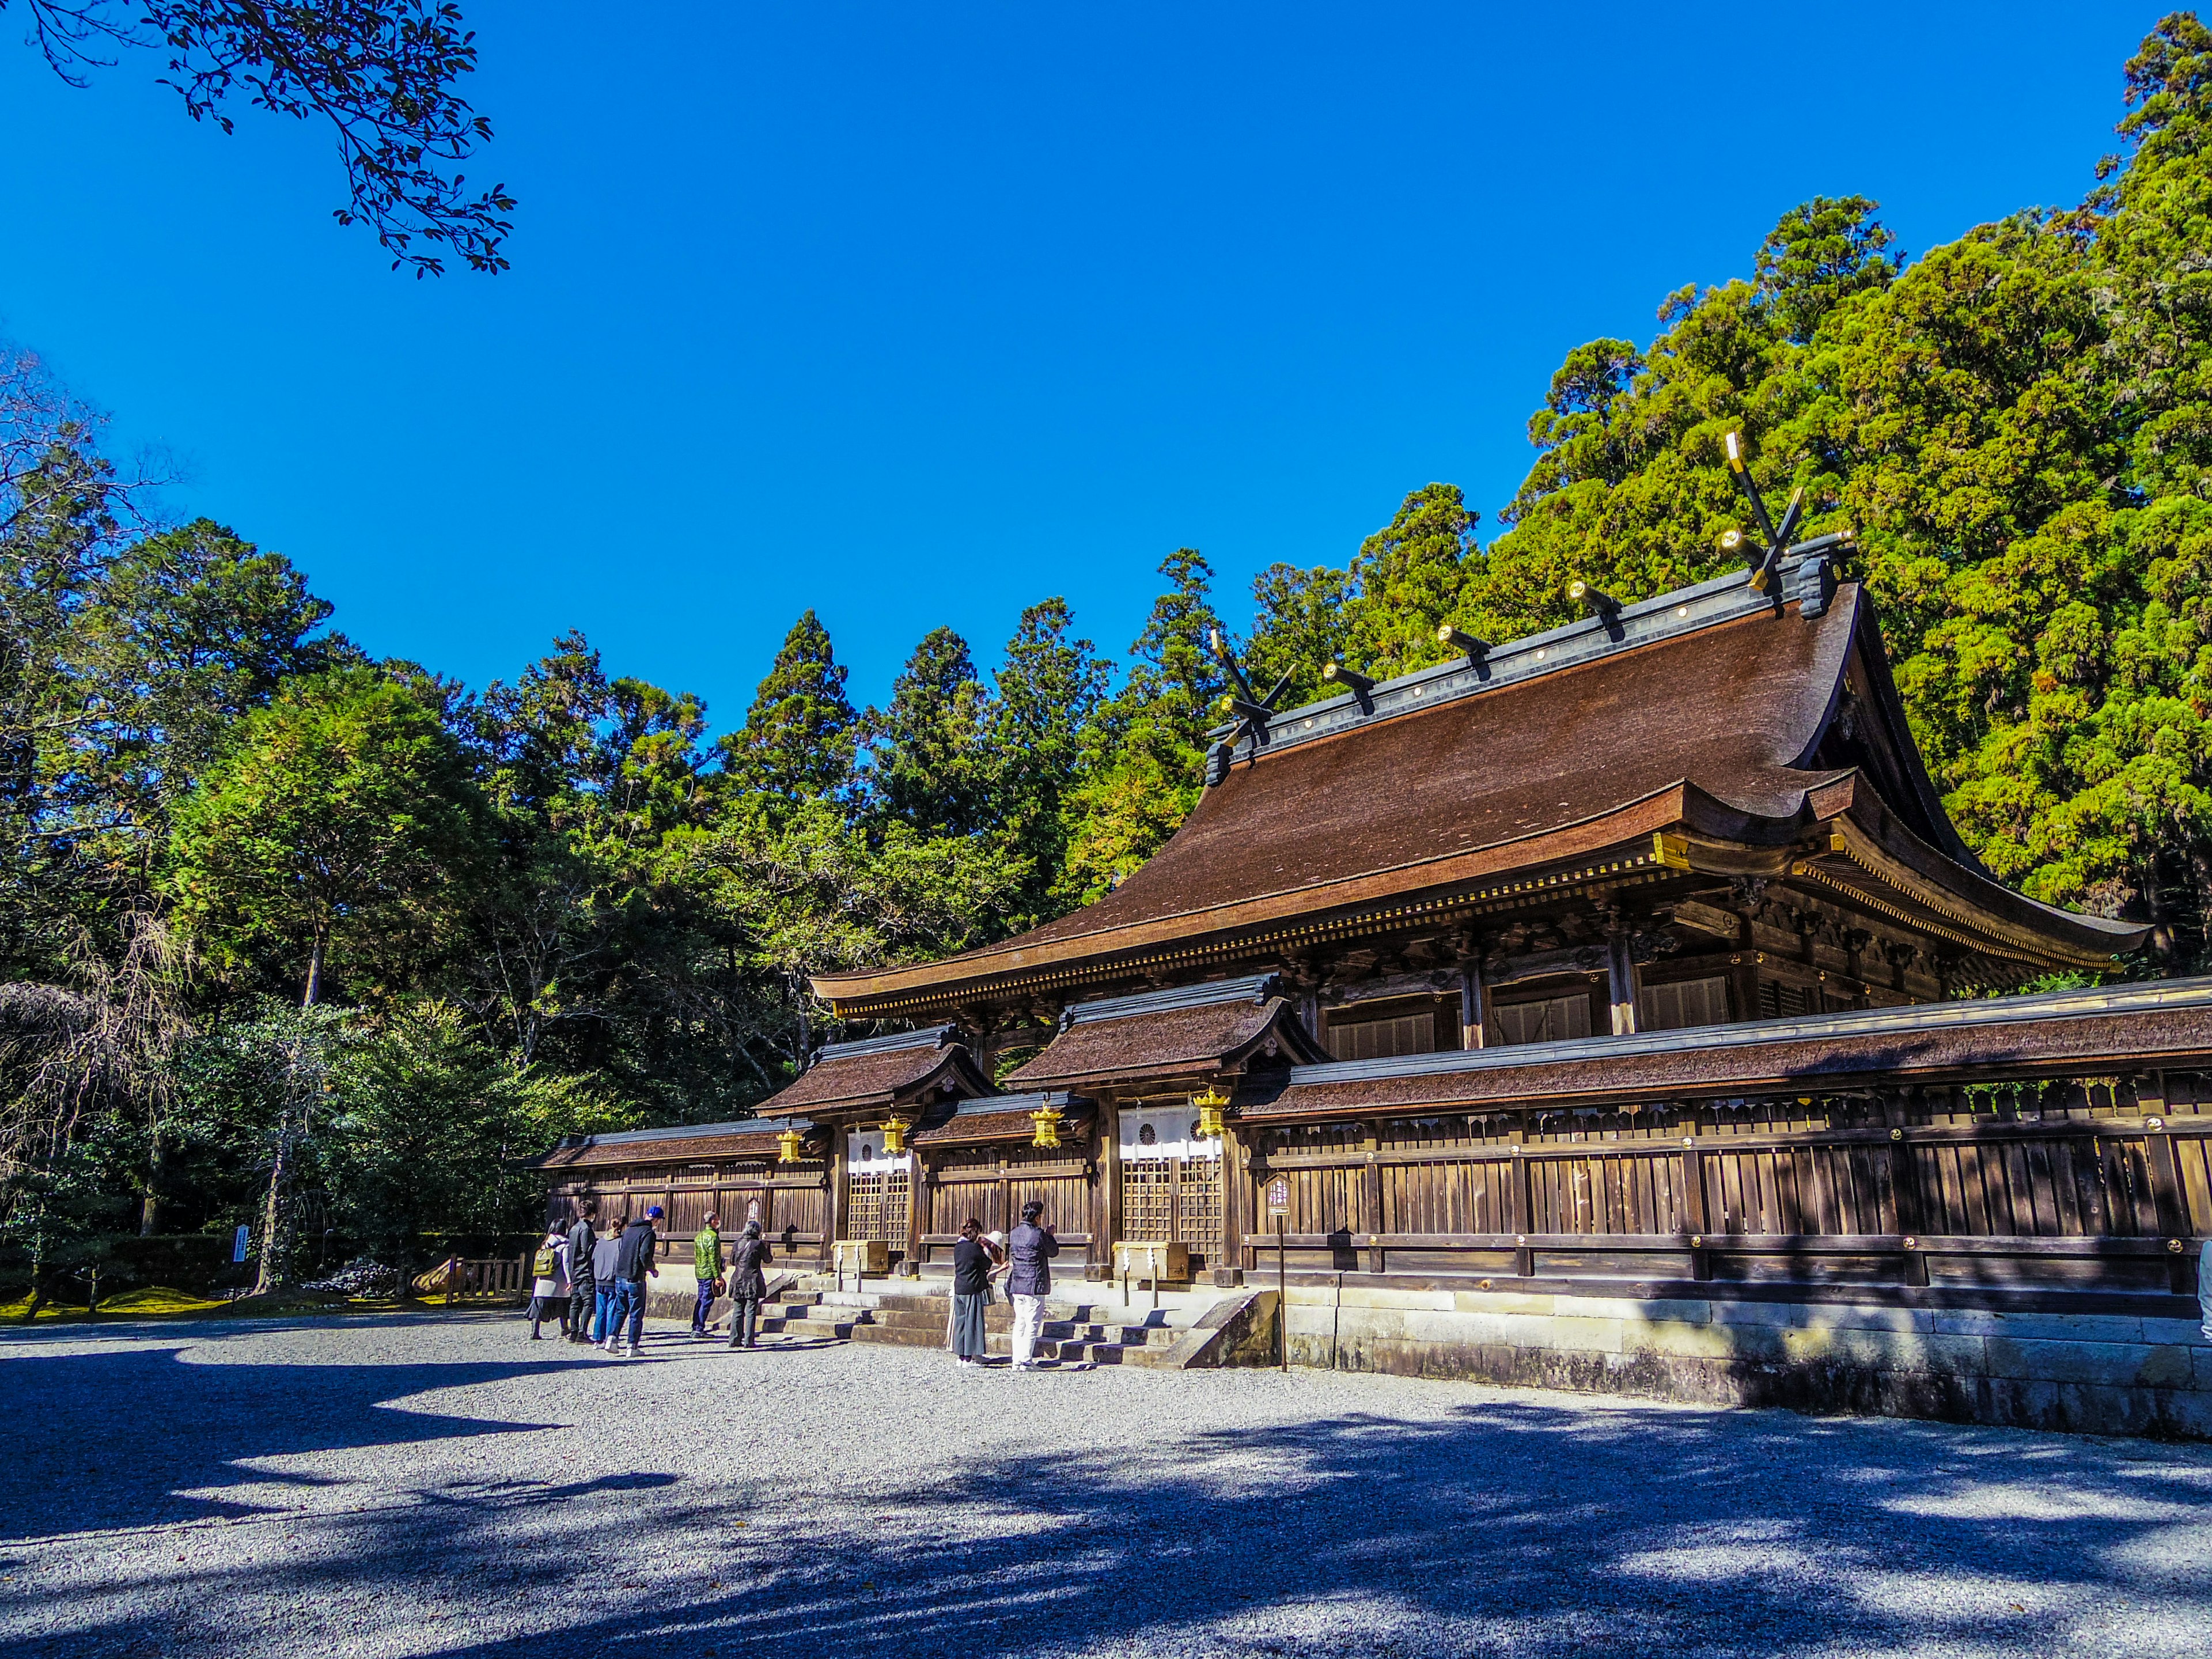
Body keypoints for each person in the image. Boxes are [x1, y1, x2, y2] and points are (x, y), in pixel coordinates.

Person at [1005, 1200, 1059, 1369]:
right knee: (1032, 1323)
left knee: (1020, 1322)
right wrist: (1050, 1235)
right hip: (1034, 1283)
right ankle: (1026, 1360)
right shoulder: (1038, 1234)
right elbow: (1053, 1252)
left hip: (1018, 1283)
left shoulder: (1013, 1234)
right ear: (1037, 1217)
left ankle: (1016, 1360)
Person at [609, 1205, 661, 1358]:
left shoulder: (629, 1230)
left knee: (620, 1309)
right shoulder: (648, 1233)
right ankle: (632, 1346)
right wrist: (652, 1269)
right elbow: (644, 1255)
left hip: (620, 1275)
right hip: (635, 1276)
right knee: (636, 1313)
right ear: (656, 1221)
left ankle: (612, 1339)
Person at [948, 1218, 995, 1365]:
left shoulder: (958, 1248)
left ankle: (961, 1356)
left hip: (959, 1288)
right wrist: (984, 1248)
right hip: (972, 1289)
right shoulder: (974, 1248)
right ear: (975, 1233)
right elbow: (987, 1264)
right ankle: (969, 1358)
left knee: (961, 1323)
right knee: (972, 1322)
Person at [726, 1219, 769, 1350]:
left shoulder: (737, 1243)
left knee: (738, 1310)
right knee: (750, 1311)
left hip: (738, 1280)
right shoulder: (758, 1244)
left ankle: (734, 1339)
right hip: (753, 1280)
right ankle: (749, 1341)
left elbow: (733, 1261)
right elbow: (768, 1259)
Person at [566, 1199, 598, 1346]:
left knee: (575, 1303)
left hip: (574, 1270)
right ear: (591, 1213)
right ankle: (582, 1332)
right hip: (585, 1270)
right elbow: (588, 1250)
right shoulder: (586, 1229)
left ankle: (573, 1331)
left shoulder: (573, 1228)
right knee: (588, 1302)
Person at [528, 1229, 570, 1340]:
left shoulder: (545, 1243)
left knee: (538, 1307)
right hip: (558, 1281)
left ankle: (535, 1331)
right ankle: (565, 1328)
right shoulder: (565, 1244)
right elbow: (566, 1263)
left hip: (542, 1280)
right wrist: (569, 1280)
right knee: (563, 1305)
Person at [590, 1221, 624, 1348]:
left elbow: (593, 1258)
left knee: (601, 1310)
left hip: (599, 1279)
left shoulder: (601, 1241)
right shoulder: (620, 1242)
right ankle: (609, 1338)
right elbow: (619, 1260)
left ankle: (598, 1339)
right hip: (612, 1279)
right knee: (612, 1310)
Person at [691, 1211, 725, 1339]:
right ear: (712, 1221)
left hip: (700, 1271)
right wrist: (718, 1277)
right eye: (717, 1220)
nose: (718, 1222)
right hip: (709, 1273)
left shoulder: (699, 1236)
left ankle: (696, 1326)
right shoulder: (713, 1237)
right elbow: (713, 1259)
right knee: (706, 1301)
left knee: (700, 1300)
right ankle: (699, 1328)